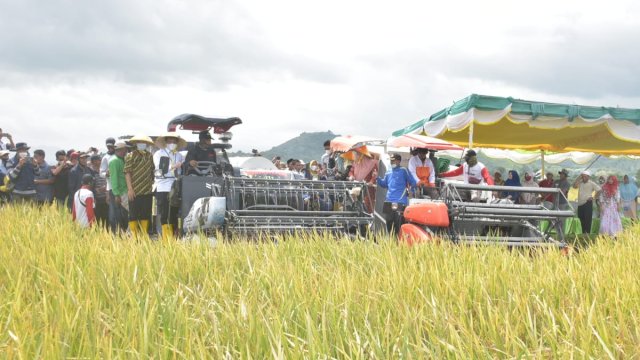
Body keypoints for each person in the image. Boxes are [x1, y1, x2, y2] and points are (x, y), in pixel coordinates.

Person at [374, 153, 417, 234]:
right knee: (389, 226)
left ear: (399, 161)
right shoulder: (388, 171)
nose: (391, 162)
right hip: (388, 201)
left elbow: (413, 182)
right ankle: (391, 243)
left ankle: (399, 243)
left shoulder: (404, 170)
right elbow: (384, 184)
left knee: (399, 226)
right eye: (391, 160)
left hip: (400, 201)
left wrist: (412, 191)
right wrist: (377, 178)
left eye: (393, 160)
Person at [153, 132, 185, 240]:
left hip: (175, 187)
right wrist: (173, 166)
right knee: (164, 213)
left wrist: (181, 165)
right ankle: (166, 239)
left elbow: (182, 171)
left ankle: (174, 237)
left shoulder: (179, 155)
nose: (172, 143)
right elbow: (159, 170)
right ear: (166, 142)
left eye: (174, 141)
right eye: (170, 141)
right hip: (163, 187)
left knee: (174, 214)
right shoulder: (159, 154)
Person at [124, 135, 155, 237]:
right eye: (140, 142)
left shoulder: (149, 155)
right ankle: (134, 237)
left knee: (145, 214)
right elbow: (127, 172)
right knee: (133, 215)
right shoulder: (130, 155)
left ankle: (143, 236)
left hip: (147, 190)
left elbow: (152, 171)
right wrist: (130, 189)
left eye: (144, 142)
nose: (142, 144)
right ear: (136, 143)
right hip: (134, 190)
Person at [109, 142, 129, 232]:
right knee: (126, 213)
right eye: (125, 149)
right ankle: (125, 233)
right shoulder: (114, 161)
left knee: (126, 213)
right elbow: (113, 178)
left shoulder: (121, 159)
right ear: (120, 150)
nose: (126, 151)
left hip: (125, 190)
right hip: (121, 191)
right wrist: (116, 194)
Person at [573, 170, 601, 234]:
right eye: (582, 177)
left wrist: (593, 198)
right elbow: (574, 186)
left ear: (588, 177)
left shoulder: (591, 183)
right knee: (581, 219)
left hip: (587, 203)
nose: (583, 178)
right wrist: (579, 177)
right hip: (580, 203)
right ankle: (583, 233)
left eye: (585, 177)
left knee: (587, 220)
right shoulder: (580, 182)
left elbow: (599, 190)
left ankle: (587, 233)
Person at [100, 137, 117, 231]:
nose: (110, 147)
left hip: (121, 187)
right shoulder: (105, 158)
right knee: (112, 212)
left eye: (111, 146)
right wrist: (106, 174)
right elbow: (101, 172)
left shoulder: (120, 155)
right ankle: (114, 231)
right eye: (108, 146)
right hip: (110, 187)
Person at [90, 154, 108, 226]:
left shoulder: (103, 171)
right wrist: (97, 190)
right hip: (97, 199)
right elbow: (91, 186)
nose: (99, 162)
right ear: (93, 162)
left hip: (106, 198)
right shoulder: (91, 172)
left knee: (106, 217)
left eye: (100, 160)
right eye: (98, 160)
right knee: (98, 217)